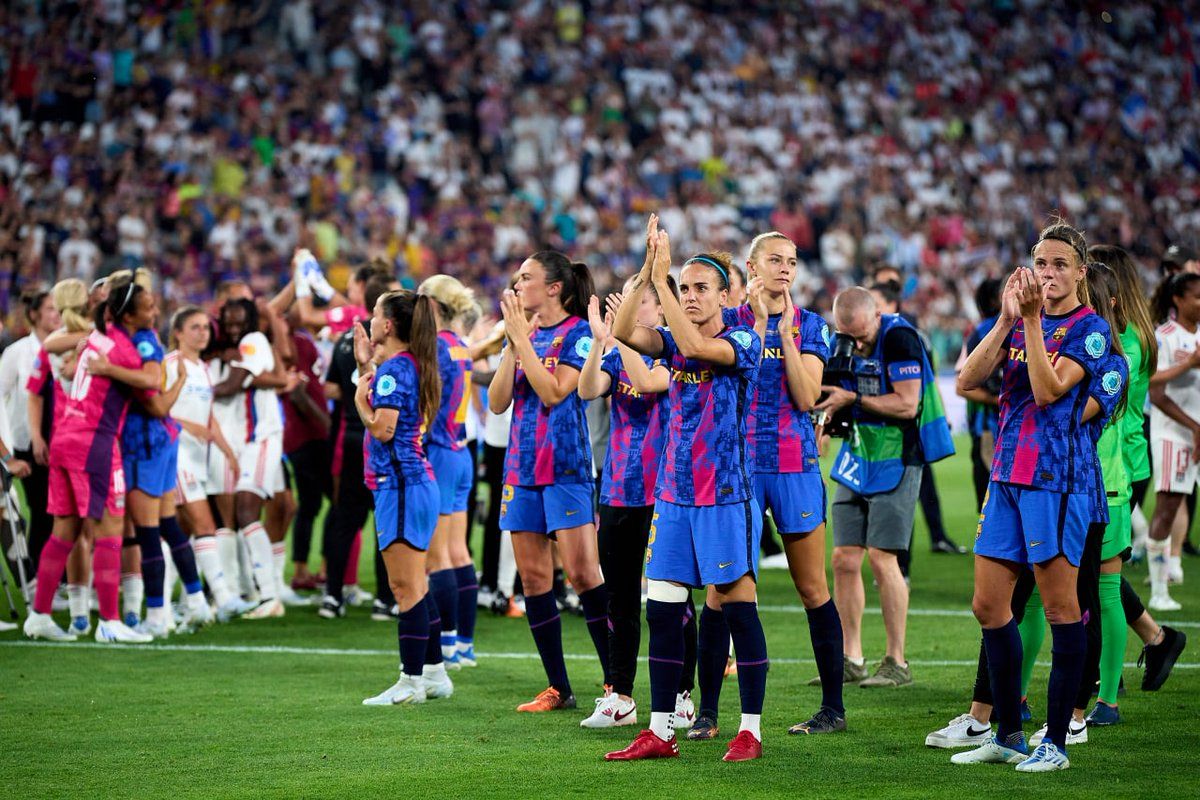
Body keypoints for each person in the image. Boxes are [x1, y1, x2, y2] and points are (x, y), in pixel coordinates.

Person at [606, 217, 767, 763]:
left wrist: (668, 276)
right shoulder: (674, 338)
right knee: (663, 609)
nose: (691, 295)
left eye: (702, 288)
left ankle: (750, 729)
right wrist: (649, 277)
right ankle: (659, 730)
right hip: (674, 496)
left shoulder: (742, 339)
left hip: (724, 497)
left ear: (727, 294)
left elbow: (697, 345)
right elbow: (625, 333)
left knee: (739, 610)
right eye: (686, 288)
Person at [956, 220, 1112, 772]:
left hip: (1056, 482)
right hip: (1006, 476)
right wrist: (1005, 321)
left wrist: (1028, 321)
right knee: (988, 605)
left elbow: (1047, 393)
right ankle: (1007, 733)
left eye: (1060, 265)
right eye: (1041, 264)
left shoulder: (1090, 331)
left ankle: (1057, 744)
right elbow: (966, 380)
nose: (1048, 274)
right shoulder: (1021, 321)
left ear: (1080, 272)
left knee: (1061, 607)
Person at [722, 231, 846, 736]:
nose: (785, 269)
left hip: (794, 466)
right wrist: (756, 325)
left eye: (791, 262)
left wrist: (788, 335)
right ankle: (709, 711)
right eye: (774, 260)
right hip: (740, 466)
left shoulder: (811, 325)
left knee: (812, 587)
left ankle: (832, 710)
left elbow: (806, 395)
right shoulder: (728, 324)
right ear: (752, 268)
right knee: (725, 590)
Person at [487, 250, 609, 714]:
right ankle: (559, 687)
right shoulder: (523, 334)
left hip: (566, 468)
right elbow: (498, 402)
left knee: (581, 574)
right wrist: (515, 344)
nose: (517, 286)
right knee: (535, 579)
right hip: (521, 468)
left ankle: (614, 683)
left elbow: (556, 391)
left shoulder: (578, 333)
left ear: (554, 287)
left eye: (526, 278)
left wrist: (522, 341)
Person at [816, 287, 953, 689]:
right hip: (858, 455)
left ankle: (897, 661)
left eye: (859, 335)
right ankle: (851, 656)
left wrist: (851, 397)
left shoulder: (899, 338)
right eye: (847, 335)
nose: (855, 344)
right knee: (842, 558)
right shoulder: (842, 340)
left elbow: (908, 405)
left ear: (877, 314)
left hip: (898, 457)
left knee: (881, 558)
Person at [578, 276, 697, 731]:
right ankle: (620, 695)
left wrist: (619, 337)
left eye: (639, 299)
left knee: (672, 596)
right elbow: (589, 390)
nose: (631, 305)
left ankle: (683, 694)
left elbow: (647, 383)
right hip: (617, 490)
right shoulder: (614, 354)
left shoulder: (677, 354)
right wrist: (598, 343)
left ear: (662, 309)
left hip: (665, 490)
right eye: (628, 299)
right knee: (620, 597)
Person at [23, 273, 161, 643]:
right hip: (95, 443)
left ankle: (39, 615)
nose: (155, 312)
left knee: (63, 531)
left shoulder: (91, 337)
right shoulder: (119, 345)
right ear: (128, 316)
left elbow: (51, 349)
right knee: (111, 530)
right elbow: (151, 382)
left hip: (64, 437)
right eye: (149, 308)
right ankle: (111, 623)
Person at [355, 290, 453, 706]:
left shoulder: (396, 368)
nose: (371, 319)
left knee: (404, 587)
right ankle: (434, 674)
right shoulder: (410, 364)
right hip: (415, 483)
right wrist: (367, 365)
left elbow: (384, 429)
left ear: (389, 324)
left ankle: (410, 682)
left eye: (376, 313)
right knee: (416, 583)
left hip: (401, 485)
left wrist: (361, 402)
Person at [119, 278, 213, 638]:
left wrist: (110, 370)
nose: (155, 313)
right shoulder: (149, 345)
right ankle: (197, 600)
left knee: (146, 532)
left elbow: (157, 403)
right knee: (169, 526)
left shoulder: (141, 343)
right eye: (149, 307)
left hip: (143, 442)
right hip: (163, 443)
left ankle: (155, 614)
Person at [320, 274, 400, 618]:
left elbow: (331, 390)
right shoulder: (394, 344)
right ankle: (385, 599)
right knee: (385, 519)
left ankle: (332, 596)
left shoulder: (343, 340)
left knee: (344, 519)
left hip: (348, 439)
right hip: (382, 439)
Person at [164, 306, 250, 622]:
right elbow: (156, 408)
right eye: (195, 327)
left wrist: (226, 451)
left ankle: (173, 605)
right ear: (178, 333)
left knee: (179, 534)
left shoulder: (202, 368)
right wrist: (188, 426)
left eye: (205, 328)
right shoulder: (170, 365)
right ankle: (224, 597)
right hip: (175, 456)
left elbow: (209, 416)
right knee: (205, 525)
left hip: (198, 459)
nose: (203, 333)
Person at [209, 298, 294, 619]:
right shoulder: (230, 351)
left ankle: (270, 594)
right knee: (237, 515)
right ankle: (249, 590)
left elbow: (246, 381)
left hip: (262, 437)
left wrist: (199, 389)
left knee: (246, 508)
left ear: (250, 323)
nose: (233, 330)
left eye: (239, 323)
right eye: (228, 323)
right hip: (243, 441)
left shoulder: (252, 342)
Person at [418, 274, 482, 669]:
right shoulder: (461, 346)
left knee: (436, 557)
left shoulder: (436, 348)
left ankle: (445, 643)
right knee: (458, 551)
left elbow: (426, 406)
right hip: (461, 452)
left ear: (434, 306)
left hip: (440, 452)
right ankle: (464, 643)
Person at [1145, 271, 1200, 611]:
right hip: (1173, 433)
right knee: (1167, 508)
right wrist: (1190, 364)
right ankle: (1158, 591)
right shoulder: (1164, 336)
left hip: (1197, 431)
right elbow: (1155, 387)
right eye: (1196, 296)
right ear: (1178, 299)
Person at [0, 288, 59, 583]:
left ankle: (52, 578)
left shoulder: (65, 348)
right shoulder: (17, 353)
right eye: (49, 308)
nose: (56, 314)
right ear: (34, 314)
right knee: (41, 509)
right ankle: (38, 576)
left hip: (62, 441)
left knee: (57, 511)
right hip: (26, 444)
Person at [957, 278, 1006, 511]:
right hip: (988, 428)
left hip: (1022, 431)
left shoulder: (1044, 326)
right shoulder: (983, 331)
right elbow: (962, 384)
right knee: (988, 505)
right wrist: (996, 399)